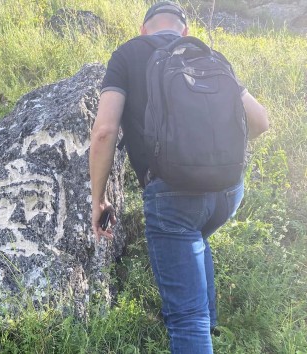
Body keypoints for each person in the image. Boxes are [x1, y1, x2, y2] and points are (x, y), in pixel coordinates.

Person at [89, 1, 269, 353]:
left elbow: (104, 132)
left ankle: (200, 329)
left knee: (187, 319)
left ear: (143, 29)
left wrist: (99, 198)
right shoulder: (210, 55)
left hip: (173, 196)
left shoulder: (127, 54)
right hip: (228, 192)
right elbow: (260, 122)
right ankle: (211, 324)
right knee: (197, 238)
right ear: (183, 30)